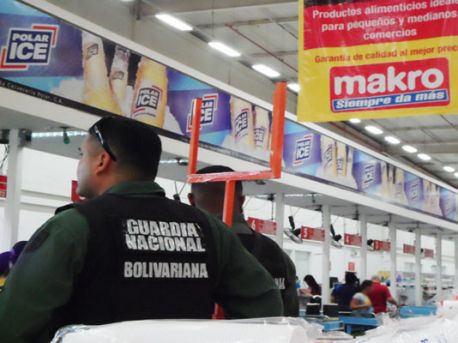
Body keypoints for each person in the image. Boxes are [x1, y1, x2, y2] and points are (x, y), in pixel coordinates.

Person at [0, 116, 282, 342]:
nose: (80, 165)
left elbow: (13, 324)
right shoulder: (208, 230)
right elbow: (264, 303)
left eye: (82, 155)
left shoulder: (74, 227)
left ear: (101, 161)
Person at [188, 165, 299, 317]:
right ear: (241, 201)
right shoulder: (279, 256)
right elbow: (291, 320)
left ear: (191, 200)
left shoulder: (190, 249)